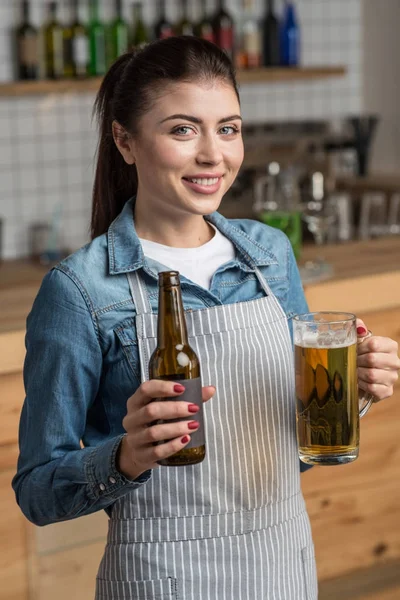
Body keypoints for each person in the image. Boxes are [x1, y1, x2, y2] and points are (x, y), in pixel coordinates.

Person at [13, 37, 399, 600]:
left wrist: (350, 392)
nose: (214, 155)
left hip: (282, 568)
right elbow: (38, 492)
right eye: (182, 129)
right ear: (125, 140)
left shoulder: (269, 255)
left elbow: (288, 452)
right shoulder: (79, 290)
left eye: (229, 128)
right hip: (163, 581)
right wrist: (126, 456)